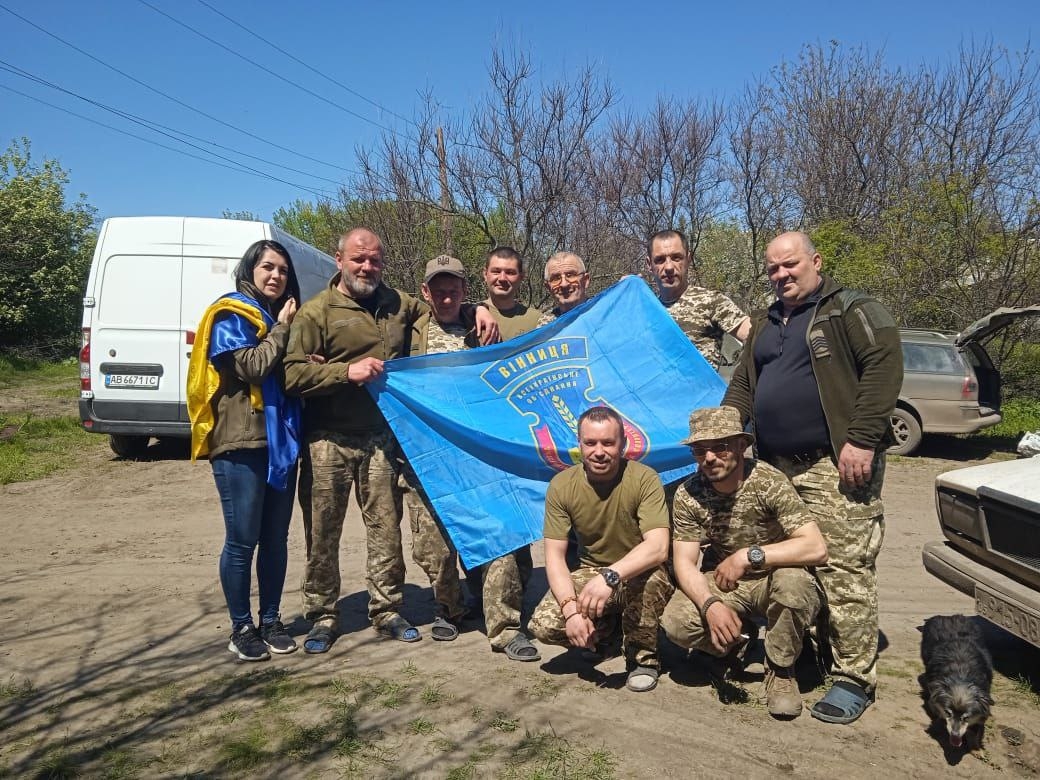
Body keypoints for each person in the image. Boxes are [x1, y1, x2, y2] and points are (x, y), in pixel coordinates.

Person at [282, 228, 498, 653]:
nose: (367, 267)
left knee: (385, 529)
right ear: (339, 259)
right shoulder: (317, 312)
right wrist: (346, 372)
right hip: (328, 438)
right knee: (323, 531)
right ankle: (323, 614)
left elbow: (443, 304)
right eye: (359, 259)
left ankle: (386, 609)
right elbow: (291, 374)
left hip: (381, 436)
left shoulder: (398, 304)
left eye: (375, 260)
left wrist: (480, 308)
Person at [723, 230, 902, 724]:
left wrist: (863, 437)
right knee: (791, 566)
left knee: (844, 569)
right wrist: (728, 436)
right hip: (774, 467)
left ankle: (852, 678)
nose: (781, 274)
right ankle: (805, 653)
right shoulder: (763, 322)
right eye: (773, 268)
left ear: (815, 261)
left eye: (790, 264)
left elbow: (884, 367)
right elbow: (742, 385)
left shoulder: (852, 311)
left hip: (833, 463)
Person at [411, 254, 539, 659]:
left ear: (467, 290)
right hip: (429, 454)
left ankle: (505, 627)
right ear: (425, 292)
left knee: (500, 535)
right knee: (434, 546)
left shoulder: (483, 329)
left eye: (455, 289)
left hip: (482, 452)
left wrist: (481, 311)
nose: (447, 297)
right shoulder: (407, 330)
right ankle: (450, 606)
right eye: (439, 289)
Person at [661, 406, 827, 718]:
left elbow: (816, 547)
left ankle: (780, 670)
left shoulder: (769, 481)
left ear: (741, 445)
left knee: (794, 587)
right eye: (700, 450)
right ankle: (736, 643)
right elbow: (684, 563)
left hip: (773, 577)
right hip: (726, 583)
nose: (709, 458)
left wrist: (749, 556)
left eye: (720, 447)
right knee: (676, 623)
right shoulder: (689, 493)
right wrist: (710, 604)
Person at [187, 239, 303, 661]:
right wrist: (283, 329)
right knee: (242, 541)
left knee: (275, 539)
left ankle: (270, 619)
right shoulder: (231, 315)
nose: (276, 276)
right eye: (268, 267)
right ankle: (241, 627)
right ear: (249, 271)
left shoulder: (274, 318)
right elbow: (253, 366)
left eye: (283, 271)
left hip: (280, 444)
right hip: (240, 444)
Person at [529, 406, 673, 692]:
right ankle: (606, 634)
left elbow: (657, 548)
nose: (599, 451)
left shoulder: (645, 478)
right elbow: (555, 557)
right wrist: (571, 612)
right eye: (590, 443)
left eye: (608, 442)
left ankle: (642, 658)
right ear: (579, 444)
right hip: (592, 571)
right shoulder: (561, 485)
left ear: (622, 444)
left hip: (640, 569)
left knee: (652, 580)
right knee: (544, 625)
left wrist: (611, 576)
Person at [646, 229, 751, 370]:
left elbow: (757, 338)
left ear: (689, 259)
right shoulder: (647, 311)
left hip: (705, 390)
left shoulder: (711, 301)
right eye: (660, 260)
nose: (669, 267)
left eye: (676, 257)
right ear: (649, 264)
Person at [482, 246, 544, 339]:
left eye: (510, 272)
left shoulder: (537, 321)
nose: (502, 278)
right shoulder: (466, 314)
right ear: (485, 274)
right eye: (496, 271)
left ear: (521, 277)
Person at [537, 251, 591, 326]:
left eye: (570, 275)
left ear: (585, 280)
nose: (564, 284)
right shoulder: (545, 324)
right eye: (556, 278)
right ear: (548, 287)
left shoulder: (604, 312)